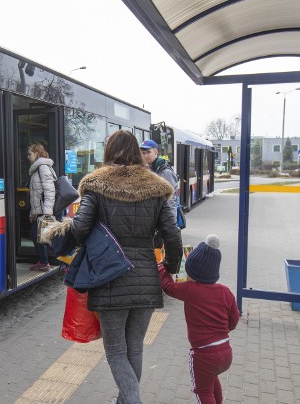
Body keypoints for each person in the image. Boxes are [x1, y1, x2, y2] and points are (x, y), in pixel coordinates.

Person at [69, 130, 183, 403]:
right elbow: (173, 235)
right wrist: (169, 266)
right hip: (146, 278)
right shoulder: (155, 188)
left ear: (109, 152)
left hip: (109, 278)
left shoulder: (97, 185)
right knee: (135, 349)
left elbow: (80, 229)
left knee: (116, 351)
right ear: (136, 152)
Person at [158, 235, 240, 404]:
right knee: (211, 380)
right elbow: (234, 319)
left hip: (204, 354)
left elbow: (167, 287)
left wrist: (161, 268)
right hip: (225, 351)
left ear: (193, 273)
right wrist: (223, 330)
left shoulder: (190, 290)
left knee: (202, 391)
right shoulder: (225, 291)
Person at [27, 143, 57, 271]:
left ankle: (69, 260)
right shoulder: (36, 169)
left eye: (30, 154)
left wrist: (47, 213)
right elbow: (36, 195)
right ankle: (45, 262)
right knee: (40, 236)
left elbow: (49, 191)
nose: (28, 157)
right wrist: (33, 214)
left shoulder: (42, 167)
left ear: (37, 153)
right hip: (41, 211)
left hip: (46, 211)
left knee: (41, 236)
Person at [140, 139, 179, 213]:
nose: (146, 156)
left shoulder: (165, 172)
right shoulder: (144, 170)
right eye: (143, 153)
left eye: (148, 152)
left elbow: (171, 200)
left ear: (156, 152)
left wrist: (171, 223)